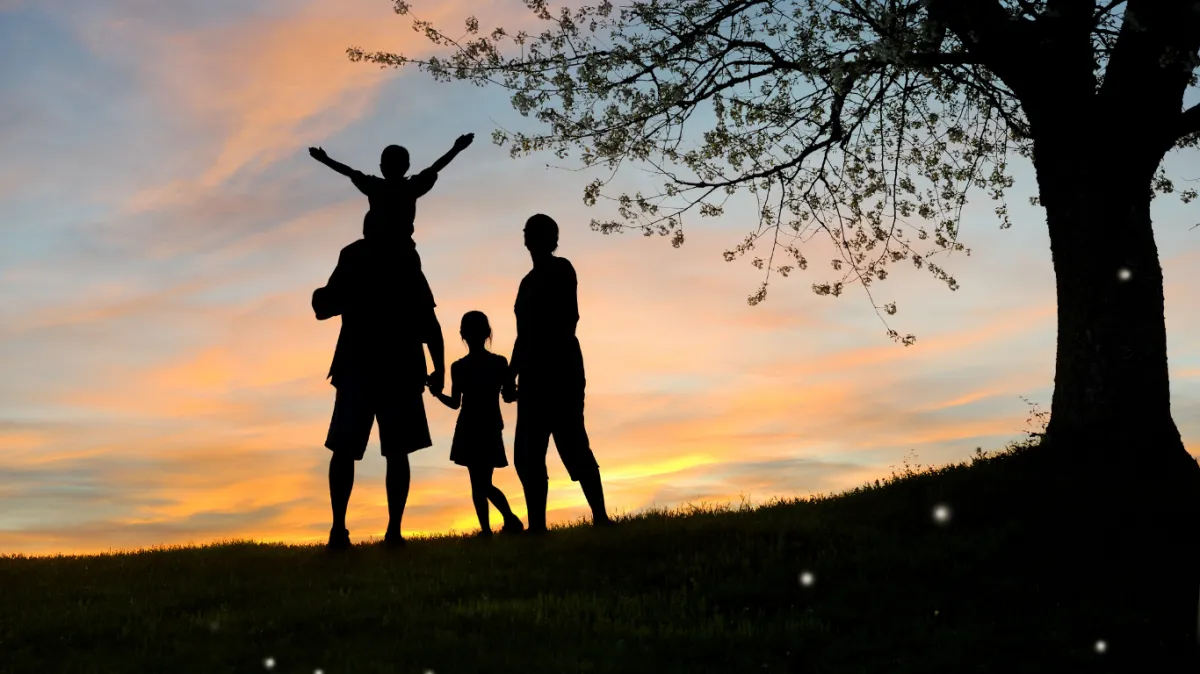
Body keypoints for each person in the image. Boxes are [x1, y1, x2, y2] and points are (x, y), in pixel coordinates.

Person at [312, 210, 446, 550]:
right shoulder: (402, 258)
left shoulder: (359, 255)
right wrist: (439, 367)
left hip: (363, 365)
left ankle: (341, 530)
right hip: (394, 366)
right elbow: (429, 320)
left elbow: (325, 305)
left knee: (348, 448)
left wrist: (323, 297)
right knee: (393, 451)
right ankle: (390, 531)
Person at [509, 214, 613, 533]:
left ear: (550, 240)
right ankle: (537, 526)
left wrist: (536, 358)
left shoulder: (561, 269)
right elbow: (521, 334)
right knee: (528, 453)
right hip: (532, 373)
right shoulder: (526, 283)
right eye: (529, 233)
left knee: (572, 442)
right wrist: (512, 373)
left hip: (560, 368)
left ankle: (600, 517)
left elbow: (568, 318)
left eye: (536, 234)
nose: (531, 239)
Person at [308, 133, 474, 261]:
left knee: (348, 255)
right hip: (390, 248)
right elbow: (435, 168)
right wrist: (456, 149)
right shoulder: (406, 187)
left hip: (392, 248)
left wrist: (325, 160)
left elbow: (349, 171)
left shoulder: (382, 186)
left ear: (381, 167)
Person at [431, 311, 525, 538]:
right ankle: (496, 526)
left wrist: (436, 394)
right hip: (489, 424)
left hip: (470, 426)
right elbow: (510, 396)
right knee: (482, 482)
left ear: (463, 334)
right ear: (487, 333)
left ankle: (502, 523)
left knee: (479, 483)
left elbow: (454, 403)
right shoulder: (499, 363)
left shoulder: (459, 367)